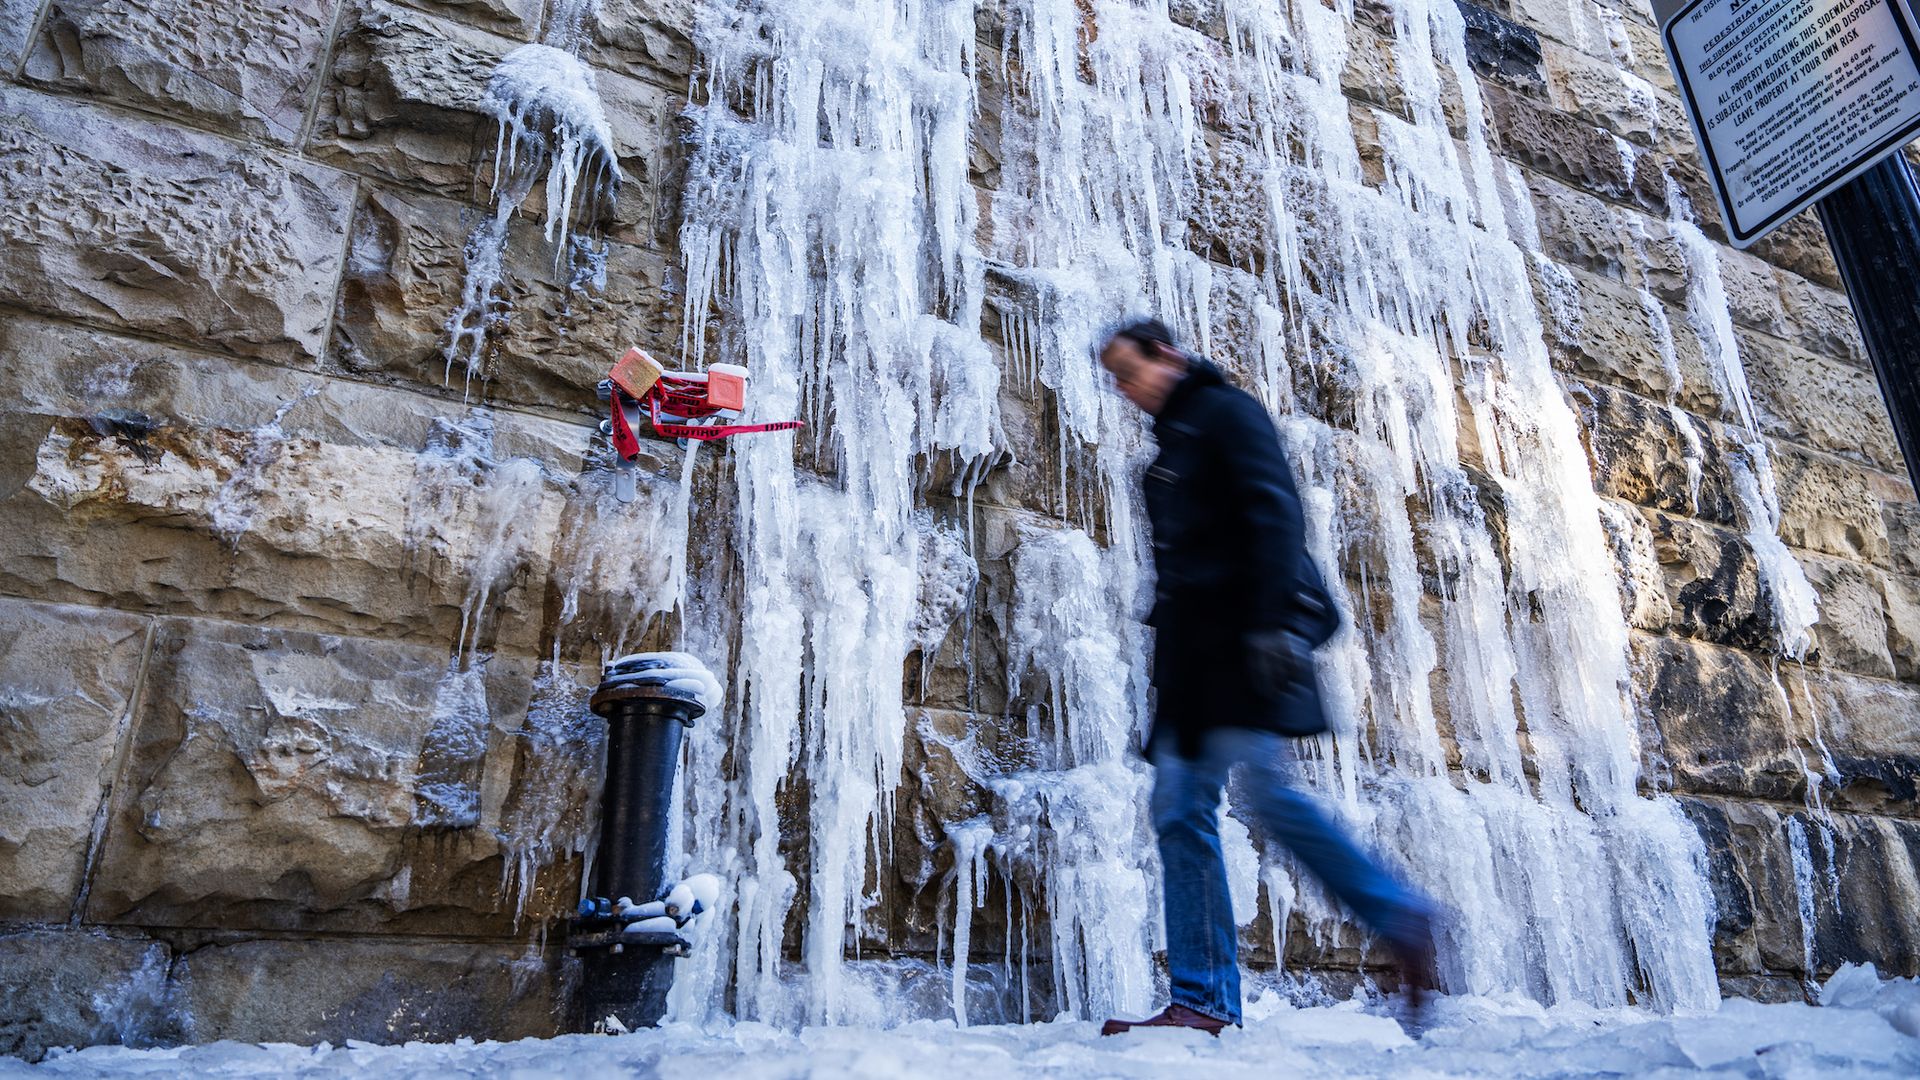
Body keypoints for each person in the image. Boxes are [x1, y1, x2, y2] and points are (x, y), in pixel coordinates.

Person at [1095, 318, 1436, 1036]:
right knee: (1181, 811)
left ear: (1168, 355)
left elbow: (1276, 514)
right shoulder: (1172, 446)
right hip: (1193, 663)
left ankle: (1399, 914)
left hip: (1246, 645)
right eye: (1116, 381)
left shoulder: (1227, 413)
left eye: (1129, 373)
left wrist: (1278, 625)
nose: (1125, 392)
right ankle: (1203, 1000)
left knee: (1268, 798)